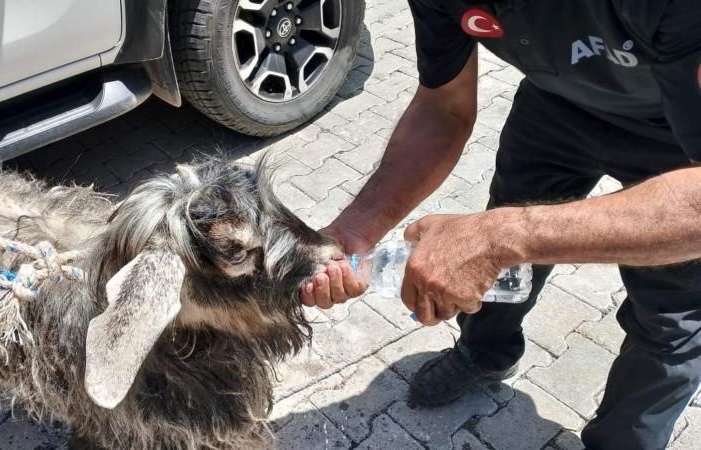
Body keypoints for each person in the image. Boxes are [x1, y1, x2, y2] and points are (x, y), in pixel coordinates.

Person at [300, 1, 701, 448]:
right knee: (493, 258)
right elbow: (443, 108)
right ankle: (485, 353)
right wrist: (355, 229)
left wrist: (505, 236)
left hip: (678, 136)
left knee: (673, 318)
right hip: (556, 106)